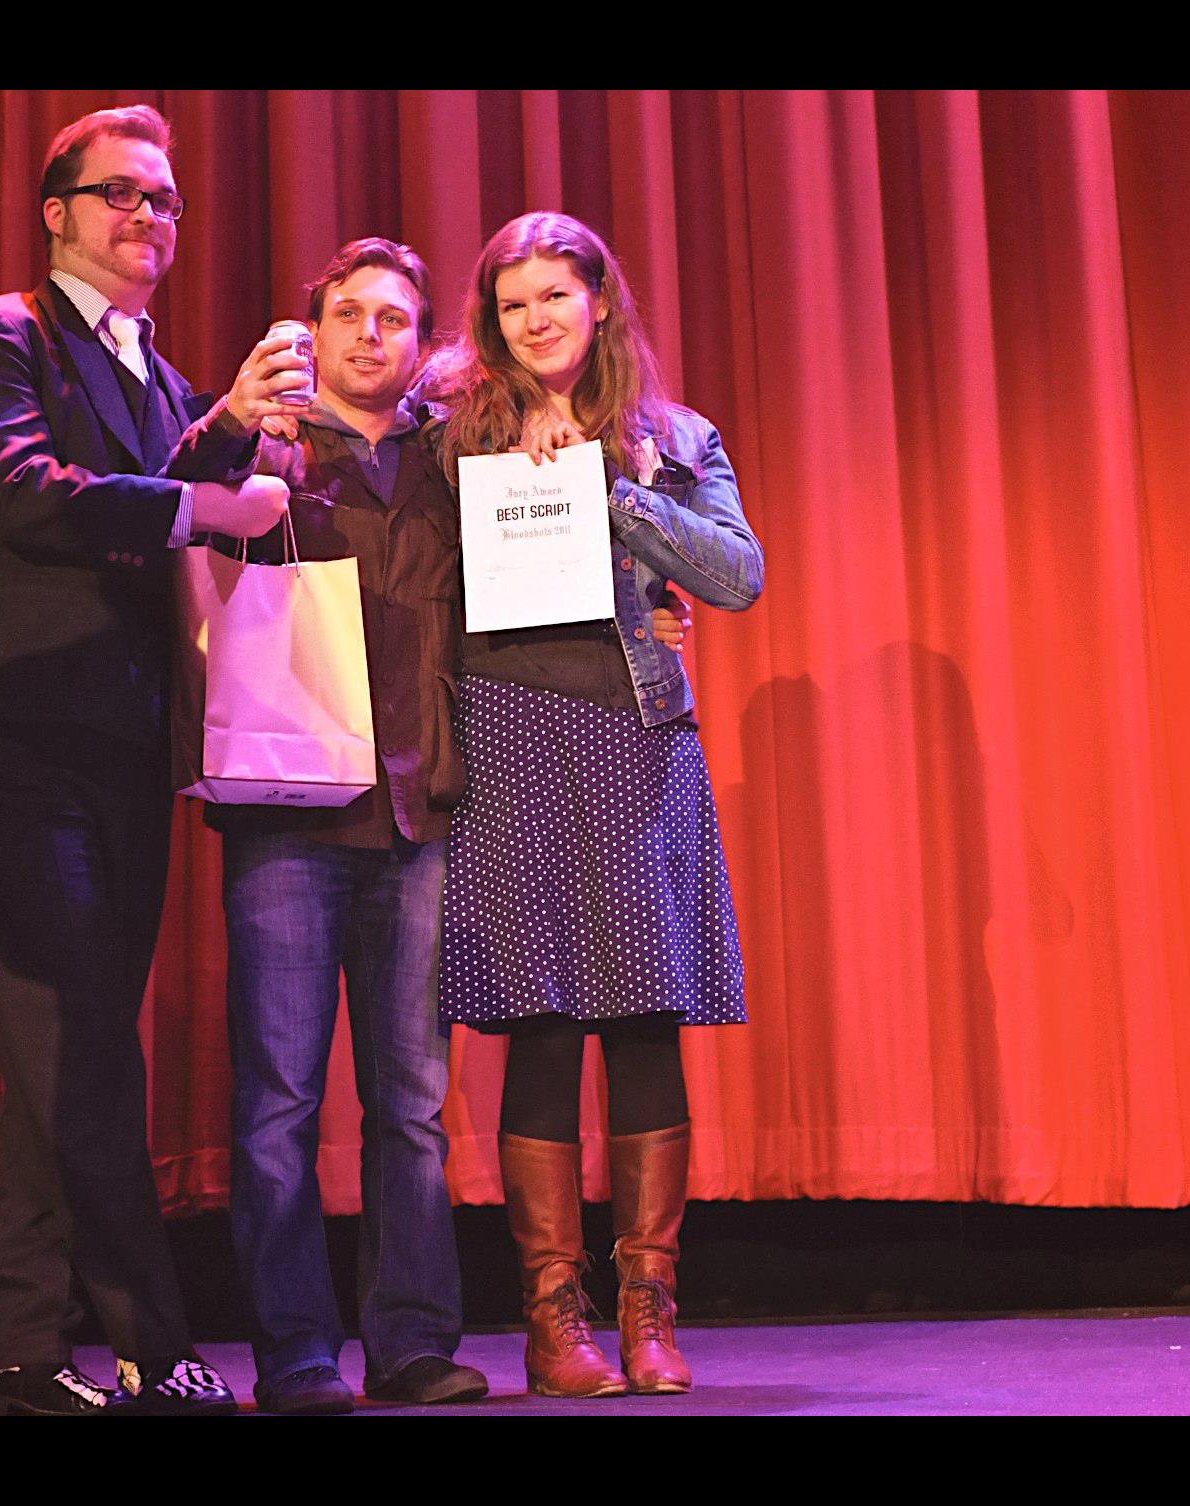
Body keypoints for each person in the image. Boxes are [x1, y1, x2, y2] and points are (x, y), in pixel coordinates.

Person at [0, 104, 296, 1418]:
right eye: (120, 194)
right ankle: (156, 1348)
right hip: (2, 732)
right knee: (80, 1046)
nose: (148, 218)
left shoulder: (159, 374)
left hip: (122, 742)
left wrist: (230, 426)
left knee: (61, 1051)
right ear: (56, 210)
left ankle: (20, 1356)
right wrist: (204, 493)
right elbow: (28, 492)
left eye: (166, 201)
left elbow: (174, 486)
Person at [429, 211, 765, 1398]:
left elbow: (734, 576)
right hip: (511, 730)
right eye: (513, 304)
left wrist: (616, 490)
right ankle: (549, 1315)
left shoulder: (671, 439)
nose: (535, 321)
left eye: (554, 299)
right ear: (490, 321)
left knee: (638, 1018)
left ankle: (647, 1310)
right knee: (538, 1020)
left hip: (636, 739)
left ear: (599, 303)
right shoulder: (448, 427)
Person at [178, 238, 489, 1414]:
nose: (371, 335)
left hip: (418, 813)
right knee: (278, 1106)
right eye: (348, 314)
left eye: (395, 318)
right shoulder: (265, 445)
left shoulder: (455, 456)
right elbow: (167, 500)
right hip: (286, 821)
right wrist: (227, 427)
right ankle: (296, 1355)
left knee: (409, 1107)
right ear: (312, 330)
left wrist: (648, 609)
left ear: (420, 339)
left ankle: (411, 1345)